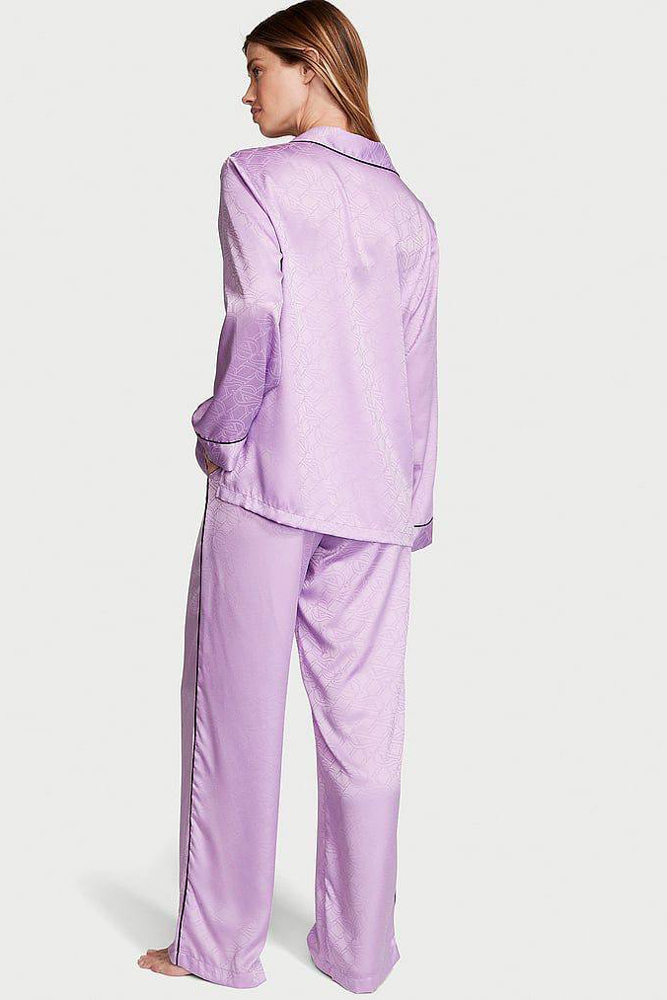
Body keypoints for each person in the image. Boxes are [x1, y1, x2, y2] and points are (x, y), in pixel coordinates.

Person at [137, 0, 439, 992]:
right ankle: (359, 951)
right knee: (365, 728)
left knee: (234, 716)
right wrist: (415, 504)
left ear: (309, 67)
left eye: (257, 67)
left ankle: (217, 948)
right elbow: (419, 368)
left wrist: (218, 432)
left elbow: (256, 316)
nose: (246, 91)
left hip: (269, 484)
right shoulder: (408, 209)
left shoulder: (257, 176)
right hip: (376, 500)